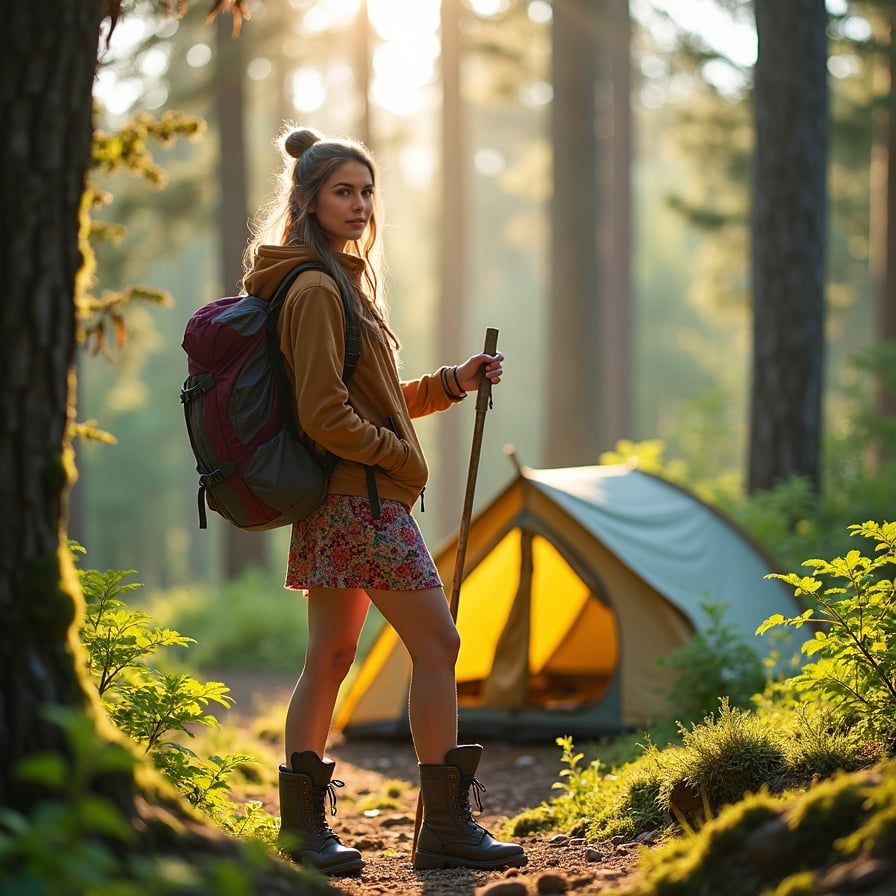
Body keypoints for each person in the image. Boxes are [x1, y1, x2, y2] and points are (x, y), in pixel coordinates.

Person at [240, 125, 528, 877]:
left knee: (331, 660)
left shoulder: (334, 280)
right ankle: (446, 829)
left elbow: (370, 399)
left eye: (368, 191)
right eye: (344, 191)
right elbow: (323, 414)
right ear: (307, 200)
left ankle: (305, 832)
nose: (361, 204)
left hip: (343, 502)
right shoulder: (311, 288)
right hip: (361, 505)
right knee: (438, 646)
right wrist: (402, 457)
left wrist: (450, 384)